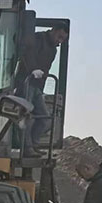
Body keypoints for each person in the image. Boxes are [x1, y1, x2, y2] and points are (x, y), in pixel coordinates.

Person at [15, 25, 69, 157]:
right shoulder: (37, 39)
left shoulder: (53, 51)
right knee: (24, 117)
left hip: (37, 86)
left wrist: (42, 88)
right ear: (53, 30)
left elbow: (46, 68)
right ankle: (26, 148)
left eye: (63, 39)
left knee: (44, 117)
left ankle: (34, 144)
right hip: (26, 82)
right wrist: (32, 70)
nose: (60, 41)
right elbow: (28, 55)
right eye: (59, 37)